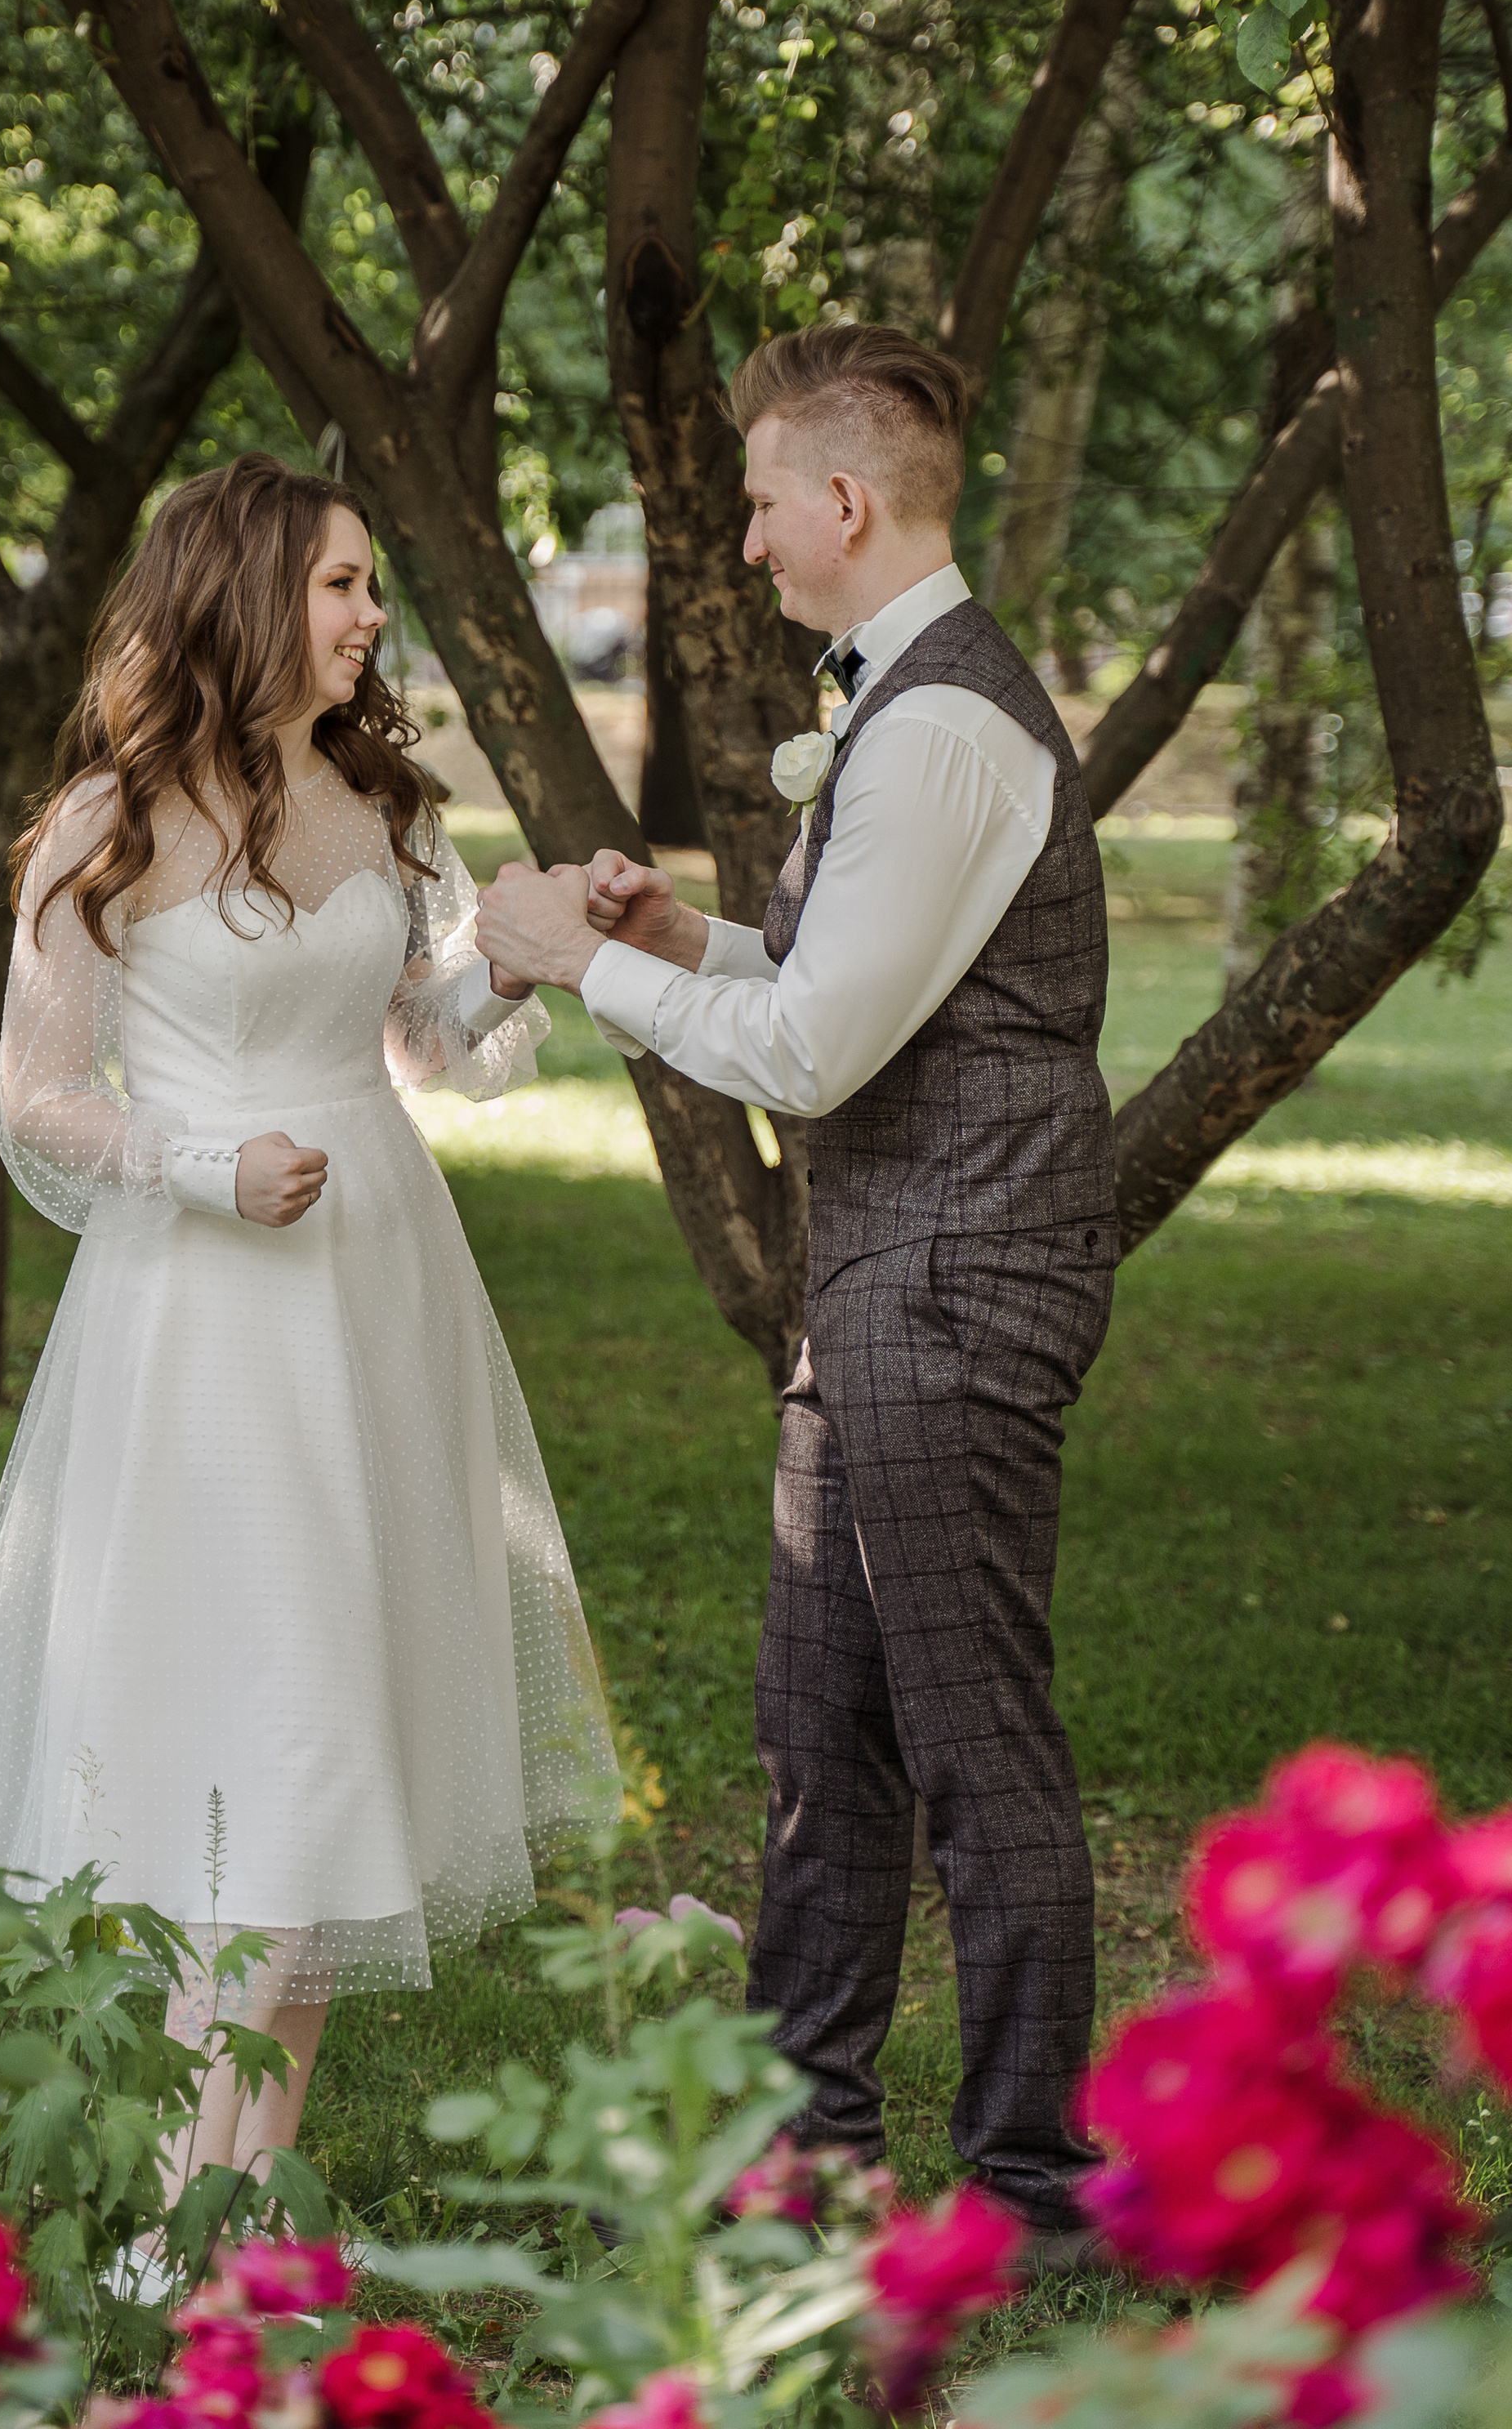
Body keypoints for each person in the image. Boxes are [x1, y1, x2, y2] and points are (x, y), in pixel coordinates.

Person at [0, 452, 617, 2195]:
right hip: (210, 1318)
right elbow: (36, 1101)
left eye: (370, 584)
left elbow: (412, 1043)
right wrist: (207, 1165)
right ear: (245, 593)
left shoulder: (376, 800)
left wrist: (516, 958)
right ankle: (180, 2211)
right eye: (342, 583)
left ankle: (244, 2212)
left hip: (378, 1285)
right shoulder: (110, 821)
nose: (373, 614)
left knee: (336, 1735)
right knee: (257, 1739)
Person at [475, 321, 1117, 2255]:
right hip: (888, 1276)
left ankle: (1033, 2182)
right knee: (815, 1726)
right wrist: (684, 935)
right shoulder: (906, 703)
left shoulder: (934, 727)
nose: (744, 539)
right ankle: (802, 2145)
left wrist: (576, 963)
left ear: (842, 501)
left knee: (967, 1730)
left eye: (760, 501)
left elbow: (821, 1054)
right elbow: (860, 979)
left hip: (955, 1276)